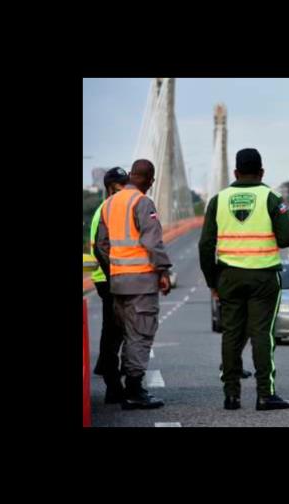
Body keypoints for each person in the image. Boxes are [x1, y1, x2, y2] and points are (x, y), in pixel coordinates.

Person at [199, 148, 289, 411]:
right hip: (264, 277)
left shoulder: (218, 200)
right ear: (262, 172)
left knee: (231, 334)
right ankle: (265, 394)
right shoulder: (273, 198)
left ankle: (231, 395)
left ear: (235, 172)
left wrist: (212, 282)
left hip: (228, 277)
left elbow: (205, 246)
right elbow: (287, 238)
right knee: (262, 334)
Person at [95, 159, 172, 410]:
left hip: (118, 282)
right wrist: (162, 270)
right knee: (141, 334)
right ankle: (135, 390)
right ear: (149, 179)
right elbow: (152, 242)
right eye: (150, 180)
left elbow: (101, 245)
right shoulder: (142, 202)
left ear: (130, 175)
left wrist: (117, 267)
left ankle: (127, 387)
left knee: (128, 334)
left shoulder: (109, 204)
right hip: (142, 281)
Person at [90, 167, 128, 403]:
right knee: (114, 333)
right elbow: (99, 248)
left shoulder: (115, 209)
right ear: (112, 188)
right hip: (108, 279)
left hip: (114, 277)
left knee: (113, 331)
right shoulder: (104, 211)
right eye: (122, 185)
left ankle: (104, 367)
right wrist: (115, 277)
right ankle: (112, 386)